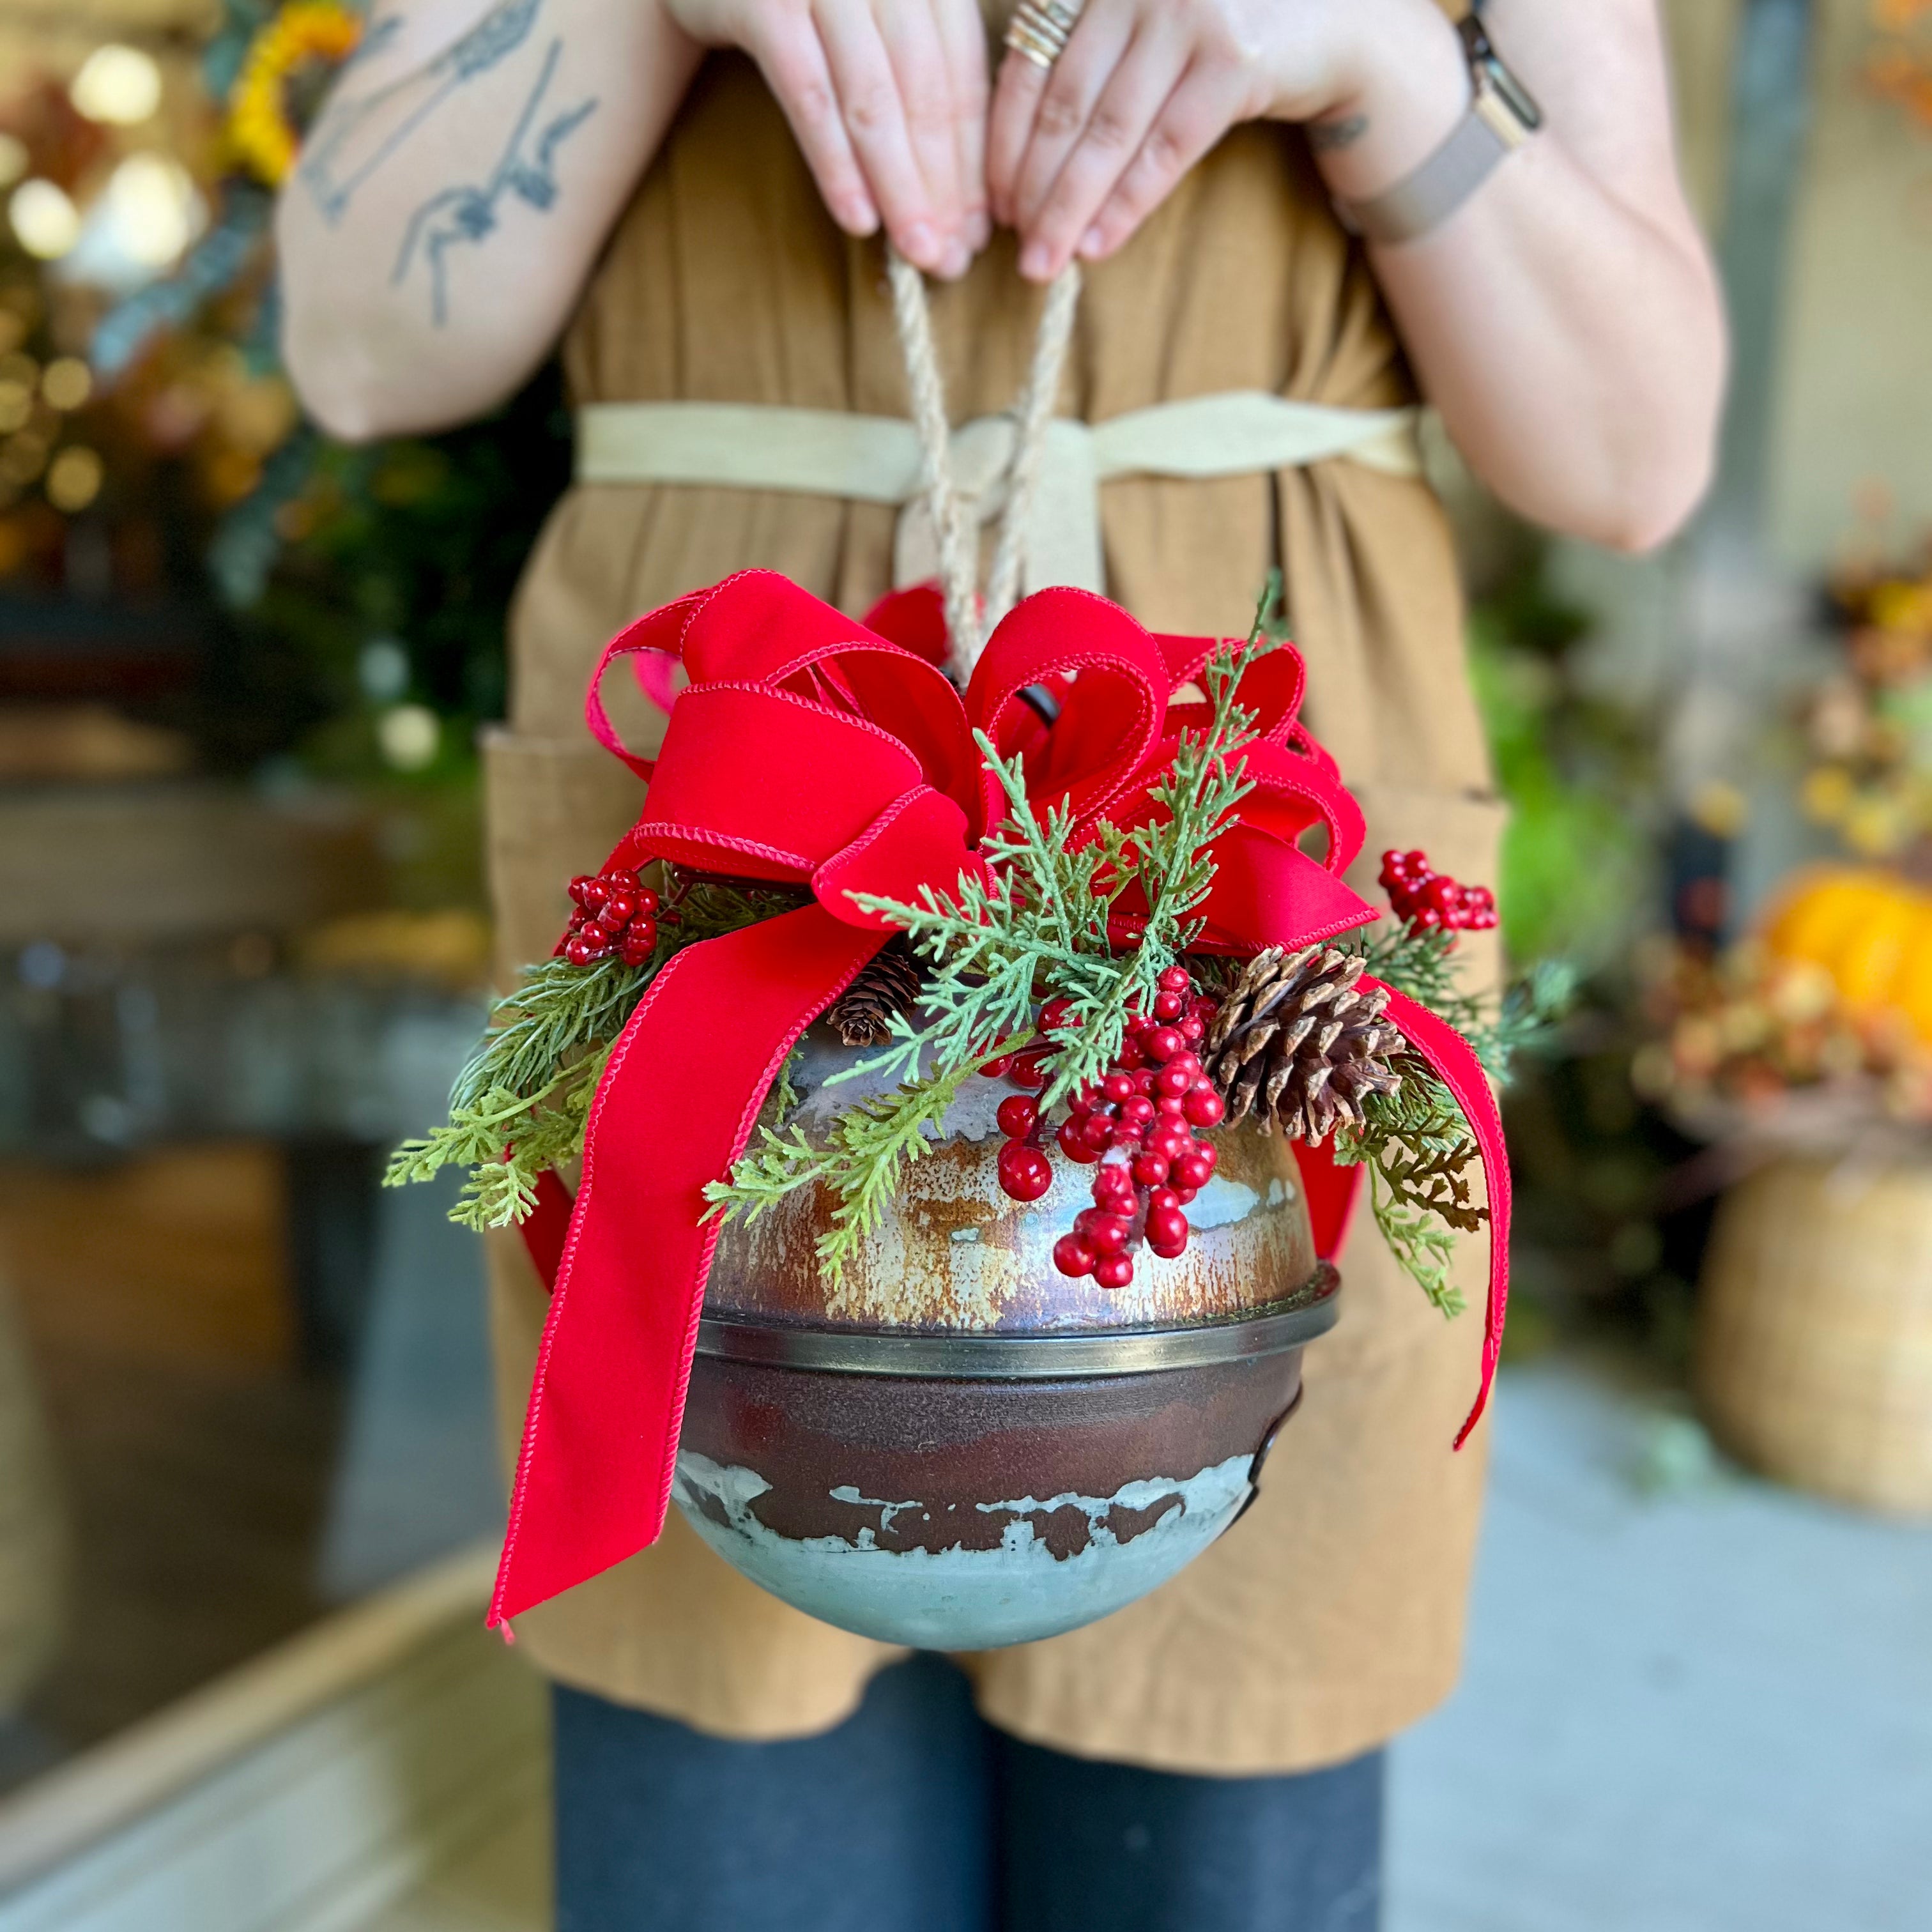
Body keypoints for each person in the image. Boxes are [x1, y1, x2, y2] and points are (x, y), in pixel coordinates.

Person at [277, 3, 1724, 1927]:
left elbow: (1632, 454)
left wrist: (1382, 58)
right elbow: (357, 344)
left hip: (1229, 800)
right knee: (725, 1830)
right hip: (738, 767)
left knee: (1214, 1816)